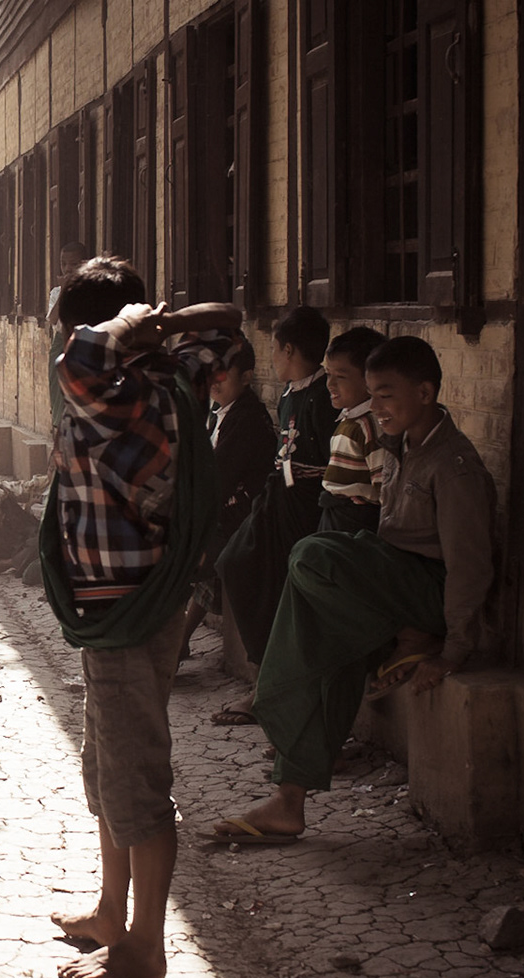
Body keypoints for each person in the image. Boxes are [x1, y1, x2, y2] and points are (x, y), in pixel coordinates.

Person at [36, 257, 248, 978]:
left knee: (135, 782)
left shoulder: (120, 395)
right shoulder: (173, 377)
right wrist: (156, 326)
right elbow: (222, 326)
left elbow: (82, 357)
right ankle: (109, 911)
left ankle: (144, 947)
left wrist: (129, 328)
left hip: (129, 608)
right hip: (126, 606)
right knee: (107, 768)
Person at [210, 337, 497, 843]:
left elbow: (469, 567)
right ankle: (288, 801)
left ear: (426, 392)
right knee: (329, 650)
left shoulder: (453, 466)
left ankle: (285, 695)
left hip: (424, 597)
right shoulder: (401, 446)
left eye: (387, 395)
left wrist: (451, 649)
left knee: (312, 554)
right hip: (391, 592)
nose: (377, 407)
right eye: (373, 395)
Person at [210, 306, 338, 722]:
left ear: (287, 349)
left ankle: (274, 688)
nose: (271, 360)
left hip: (304, 508)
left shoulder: (323, 397)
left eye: (274, 351)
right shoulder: (288, 394)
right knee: (233, 563)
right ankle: (262, 671)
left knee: (281, 591)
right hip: (276, 500)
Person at [177, 334, 279, 663]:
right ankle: (176, 635)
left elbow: (217, 479)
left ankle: (178, 637)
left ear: (246, 377)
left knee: (199, 549)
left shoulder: (247, 419)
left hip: (245, 515)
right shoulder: (219, 413)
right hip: (221, 511)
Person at [318, 327, 392, 533]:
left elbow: (384, 489)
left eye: (340, 377)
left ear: (370, 380)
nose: (330, 384)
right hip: (337, 514)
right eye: (328, 374)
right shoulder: (350, 419)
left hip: (356, 521)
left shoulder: (370, 425)